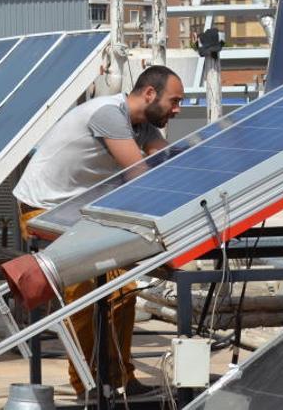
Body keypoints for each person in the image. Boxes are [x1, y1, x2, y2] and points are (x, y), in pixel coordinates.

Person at [13, 65, 184, 400]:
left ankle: (122, 378)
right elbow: (141, 175)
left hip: (82, 214)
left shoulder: (144, 127)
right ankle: (88, 386)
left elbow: (166, 161)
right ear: (149, 93)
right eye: (174, 100)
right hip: (44, 210)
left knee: (123, 289)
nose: (177, 109)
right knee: (83, 291)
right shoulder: (108, 115)